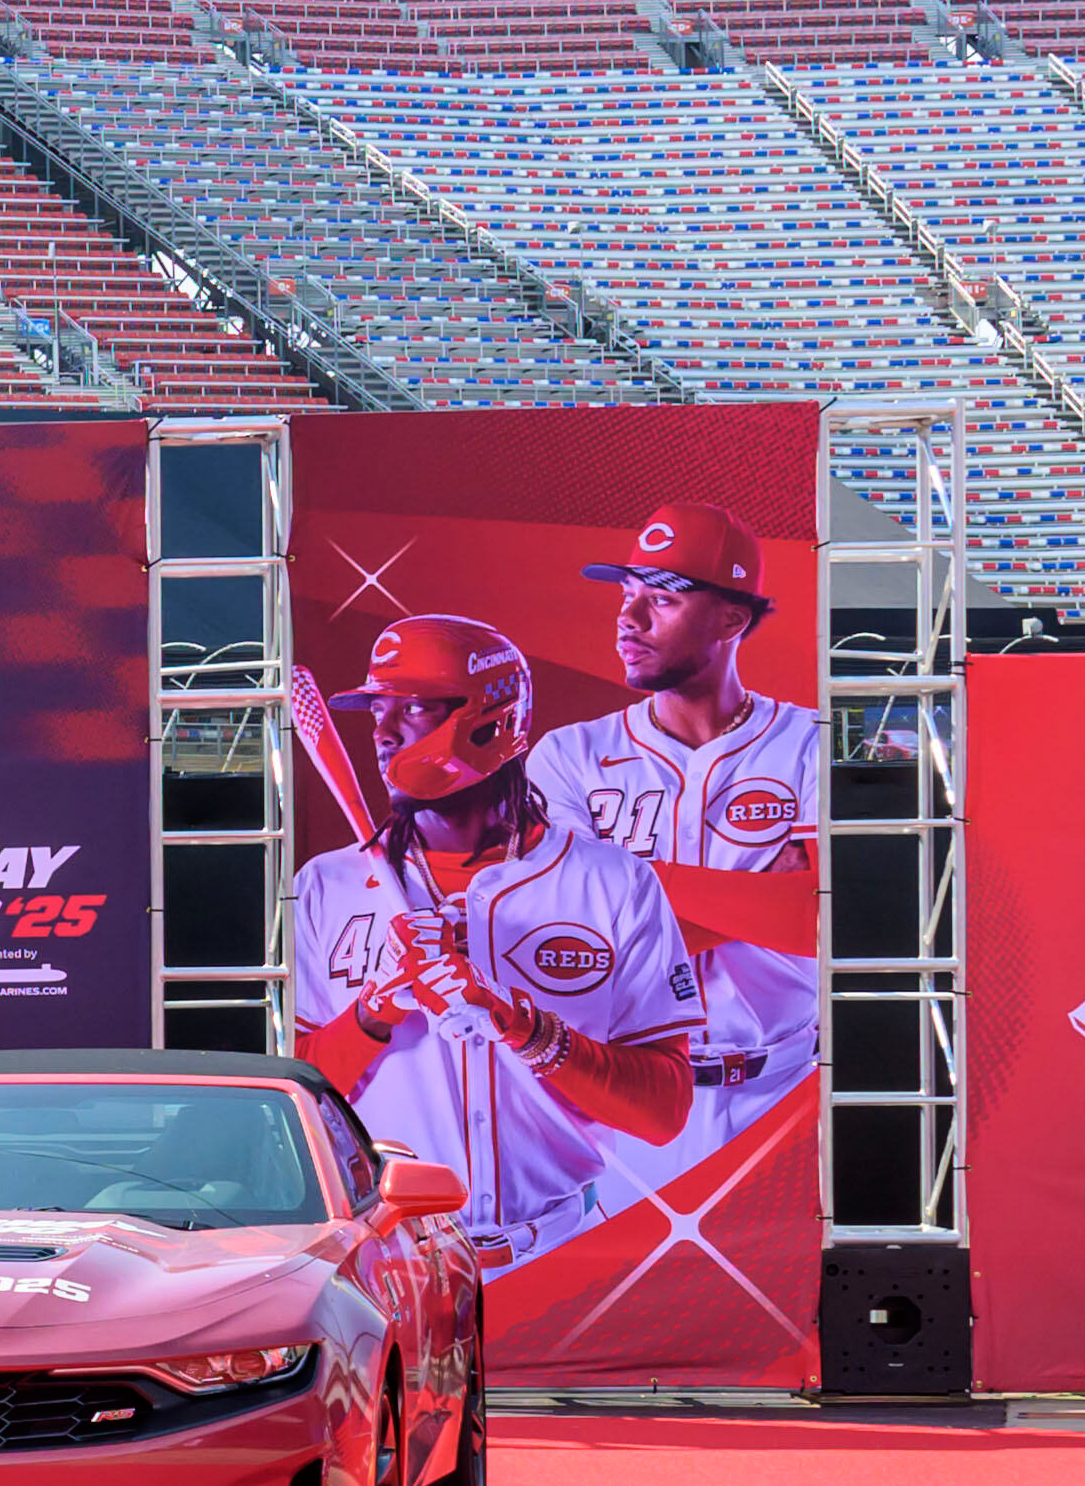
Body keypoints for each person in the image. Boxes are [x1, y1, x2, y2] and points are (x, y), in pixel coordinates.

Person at [287, 612, 697, 1262]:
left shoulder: (610, 883)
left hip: (560, 1254)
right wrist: (374, 1010)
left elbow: (662, 1111)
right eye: (376, 712)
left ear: (490, 717)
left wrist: (519, 1024)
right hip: (391, 1261)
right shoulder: (325, 886)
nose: (385, 734)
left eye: (413, 709)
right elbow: (292, 1104)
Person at [526, 501, 827, 1120]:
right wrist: (762, 896)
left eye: (661, 599)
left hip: (786, 1085)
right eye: (626, 595)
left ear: (730, 618)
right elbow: (576, 949)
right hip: (625, 1090)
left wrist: (624, 886)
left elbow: (818, 923)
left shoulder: (810, 742)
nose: (627, 619)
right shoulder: (569, 755)